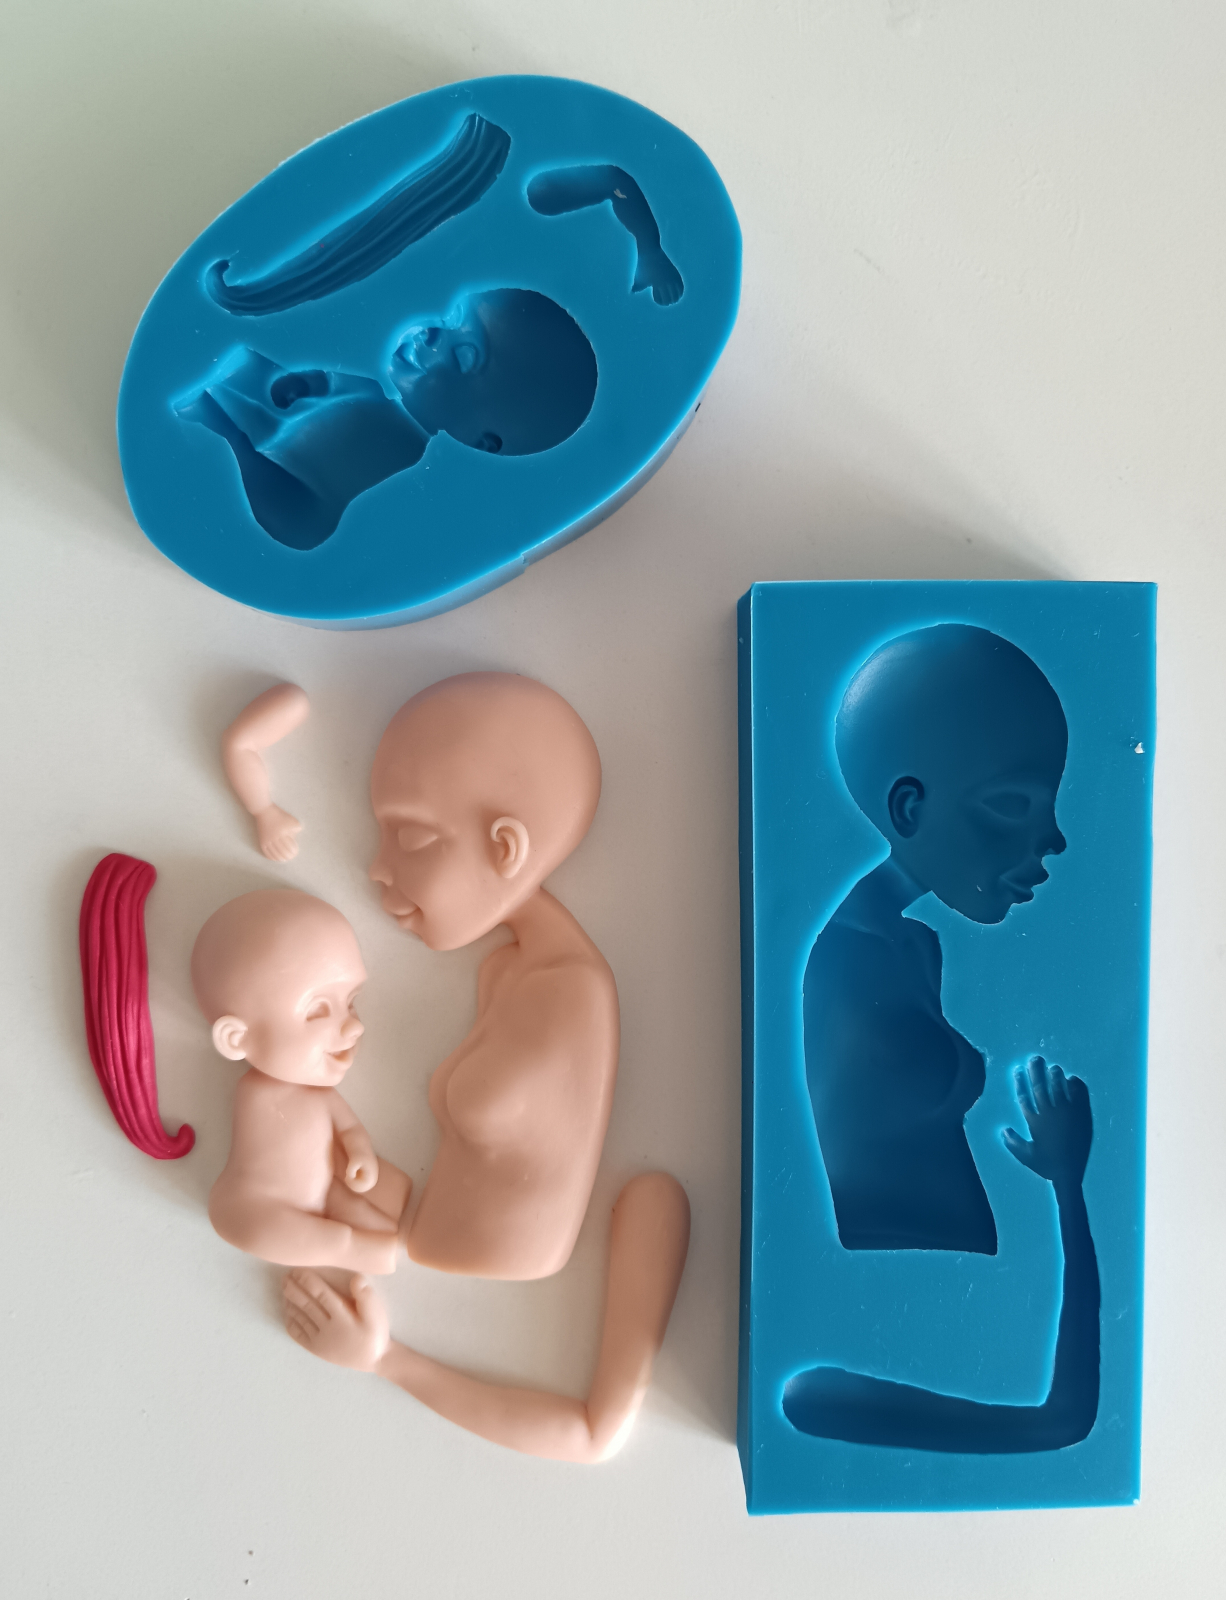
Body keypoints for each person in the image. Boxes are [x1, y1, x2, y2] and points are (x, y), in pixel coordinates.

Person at [260, 673, 691, 1463]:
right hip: (418, 1243)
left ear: (505, 849)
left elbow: (592, 1437)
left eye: (412, 837)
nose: (376, 868)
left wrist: (386, 1360)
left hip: (475, 1286)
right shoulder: (505, 970)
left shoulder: (572, 991)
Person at [786, 624, 1100, 1452]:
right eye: (1012, 805)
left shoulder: (912, 945)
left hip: (959, 1304)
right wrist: (1068, 1185)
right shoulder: (844, 960)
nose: (1053, 840)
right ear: (908, 808)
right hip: (891, 1309)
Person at [177, 289, 598, 550]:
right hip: (281, 435)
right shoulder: (376, 392)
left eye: (464, 355)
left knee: (263, 472)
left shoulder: (407, 455)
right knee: (251, 379)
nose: (429, 334)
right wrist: (309, 382)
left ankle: (223, 430)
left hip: (301, 497)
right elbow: (333, 382)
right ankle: (224, 405)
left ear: (480, 441)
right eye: (449, 321)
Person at [193, 889, 411, 1274]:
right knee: (275, 1231)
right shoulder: (253, 1091)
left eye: (351, 1002)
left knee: (356, 1215)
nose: (354, 1026)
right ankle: (356, 1250)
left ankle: (364, 1244)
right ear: (237, 1039)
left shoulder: (322, 1096)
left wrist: (361, 1157)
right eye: (317, 1011)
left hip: (320, 1197)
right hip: (255, 1207)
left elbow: (350, 1131)